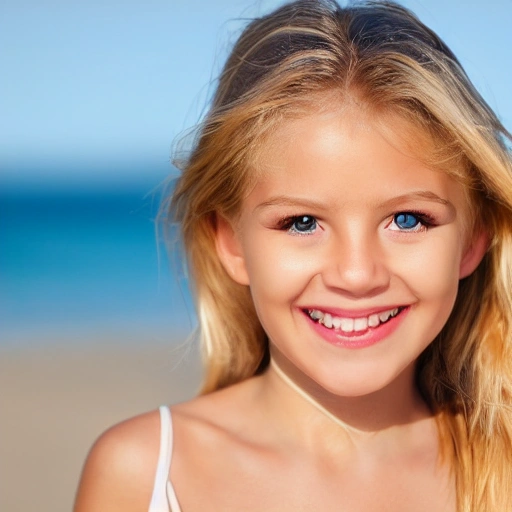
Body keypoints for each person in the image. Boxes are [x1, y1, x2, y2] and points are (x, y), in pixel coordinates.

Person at [74, 1, 512, 510]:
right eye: (302, 223)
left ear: (474, 239)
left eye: (408, 220)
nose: (356, 273)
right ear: (231, 242)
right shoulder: (146, 471)